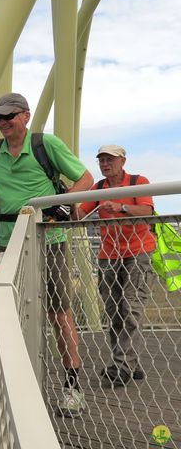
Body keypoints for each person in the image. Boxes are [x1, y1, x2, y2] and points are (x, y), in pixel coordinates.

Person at [0, 92, 94, 417]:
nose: (3, 122)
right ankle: (0, 383)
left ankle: (72, 386)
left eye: (9, 116)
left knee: (58, 312)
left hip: (47, 239)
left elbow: (86, 178)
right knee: (5, 315)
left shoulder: (45, 144)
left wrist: (56, 204)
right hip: (5, 244)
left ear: (25, 115)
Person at [75, 145, 155, 387]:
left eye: (110, 159)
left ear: (123, 160)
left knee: (130, 307)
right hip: (108, 255)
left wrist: (121, 207)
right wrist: (65, 200)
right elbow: (78, 215)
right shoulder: (98, 188)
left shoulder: (138, 181)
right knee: (113, 309)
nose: (105, 164)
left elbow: (147, 211)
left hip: (138, 251)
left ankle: (122, 365)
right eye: (101, 160)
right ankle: (131, 362)